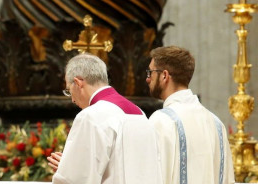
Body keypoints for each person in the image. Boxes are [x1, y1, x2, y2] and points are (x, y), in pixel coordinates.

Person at [47, 53, 162, 184]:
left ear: (78, 83)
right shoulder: (139, 113)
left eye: (69, 90)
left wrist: (67, 170)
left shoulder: (90, 116)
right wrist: (71, 166)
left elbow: (77, 180)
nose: (72, 99)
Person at [147, 46, 234, 184]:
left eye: (150, 72)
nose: (148, 79)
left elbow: (152, 177)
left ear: (164, 75)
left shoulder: (162, 121)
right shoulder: (216, 123)